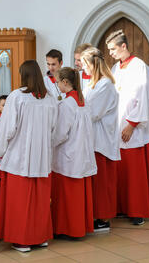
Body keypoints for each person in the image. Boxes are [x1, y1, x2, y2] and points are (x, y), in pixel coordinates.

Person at [0, 60, 58, 252]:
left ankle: (22, 240)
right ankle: (39, 237)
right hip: (41, 157)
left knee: (20, 200)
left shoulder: (17, 96)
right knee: (40, 199)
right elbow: (54, 129)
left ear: (24, 75)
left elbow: (8, 129)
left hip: (19, 157)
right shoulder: (50, 98)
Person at [106, 30, 149, 225]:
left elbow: (143, 97)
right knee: (121, 171)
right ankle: (122, 207)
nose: (110, 53)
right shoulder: (115, 68)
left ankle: (137, 211)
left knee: (134, 173)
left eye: (113, 49)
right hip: (117, 125)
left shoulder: (139, 67)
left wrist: (132, 124)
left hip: (133, 128)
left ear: (123, 46)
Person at [51, 67, 97, 238]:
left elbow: (61, 133)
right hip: (81, 152)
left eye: (57, 83)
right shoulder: (82, 101)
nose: (57, 86)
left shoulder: (67, 104)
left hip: (68, 153)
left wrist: (50, 143)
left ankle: (67, 229)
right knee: (78, 193)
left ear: (65, 82)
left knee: (67, 194)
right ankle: (80, 226)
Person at [81, 47, 121, 231]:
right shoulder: (92, 84)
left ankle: (103, 218)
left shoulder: (105, 85)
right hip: (93, 139)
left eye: (84, 64)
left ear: (92, 64)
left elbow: (94, 112)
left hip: (102, 139)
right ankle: (94, 214)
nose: (83, 68)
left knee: (102, 182)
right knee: (96, 181)